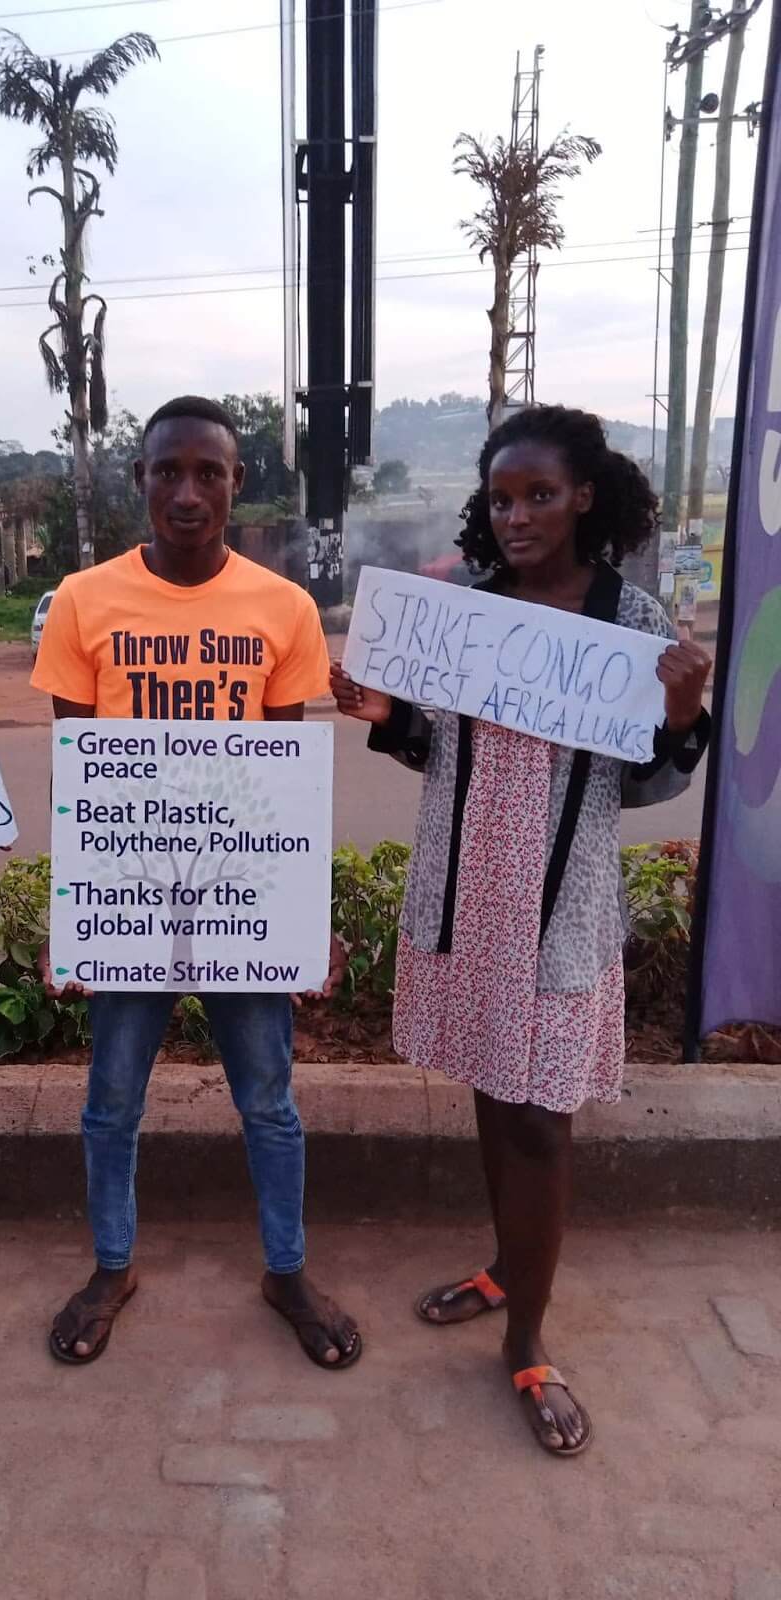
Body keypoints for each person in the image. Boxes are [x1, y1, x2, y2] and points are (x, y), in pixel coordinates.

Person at [332, 405, 711, 1456]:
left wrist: (682, 716)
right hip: (467, 894)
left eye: (540, 494)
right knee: (494, 1096)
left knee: (542, 1120)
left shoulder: (631, 620)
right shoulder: (469, 606)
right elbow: (438, 744)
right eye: (501, 499)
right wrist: (386, 715)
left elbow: (648, 781)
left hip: (557, 908)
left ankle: (529, 1340)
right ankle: (506, 1269)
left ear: (585, 495)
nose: (517, 516)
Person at [31, 395, 361, 1370]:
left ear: (235, 483)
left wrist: (301, 919)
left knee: (269, 1102)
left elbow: (284, 782)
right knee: (110, 1101)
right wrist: (73, 915)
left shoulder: (283, 608)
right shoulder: (83, 602)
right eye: (167, 471)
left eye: (207, 472)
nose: (186, 491)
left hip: (239, 895)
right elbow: (79, 779)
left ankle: (287, 1270)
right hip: (131, 893)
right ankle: (112, 1265)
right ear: (139, 479)